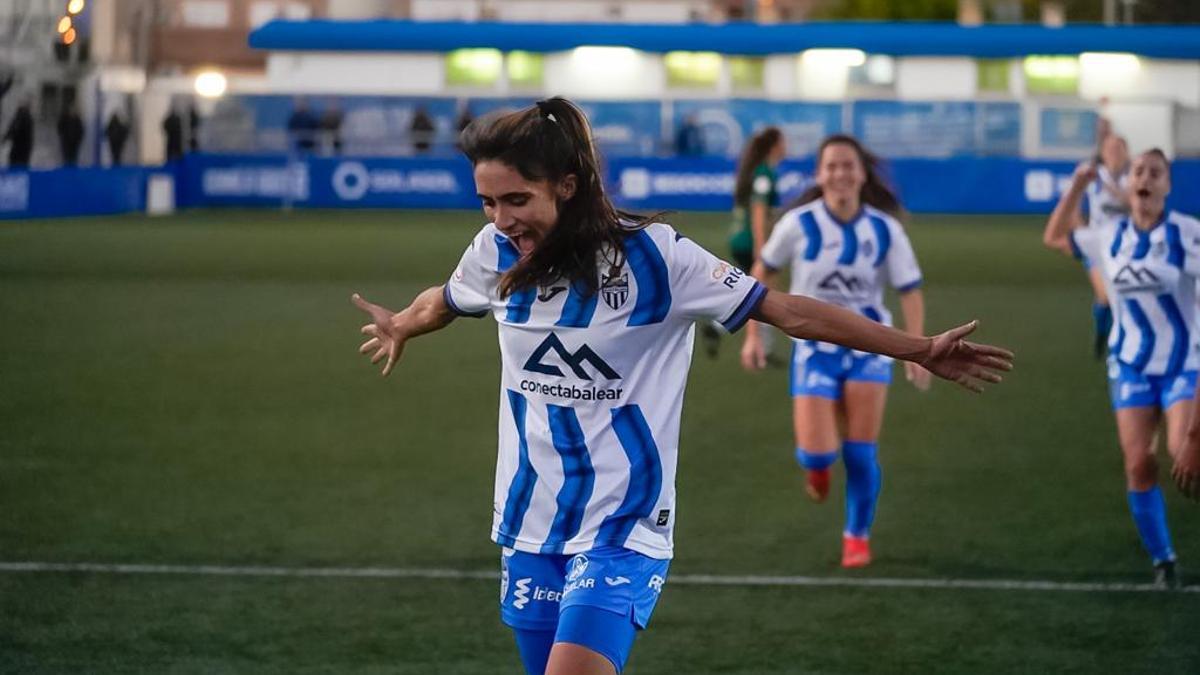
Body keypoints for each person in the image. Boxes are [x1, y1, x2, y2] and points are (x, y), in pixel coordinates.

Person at [352, 97, 1011, 675]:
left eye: (517, 200)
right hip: (529, 523)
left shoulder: (658, 258)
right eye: (488, 202)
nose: (500, 219)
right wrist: (403, 324)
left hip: (623, 525)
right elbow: (448, 297)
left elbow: (792, 310)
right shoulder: (495, 252)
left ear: (569, 186)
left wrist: (919, 347)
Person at [740, 134, 929, 569]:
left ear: (862, 174)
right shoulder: (797, 224)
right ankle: (818, 468)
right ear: (819, 174)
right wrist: (754, 337)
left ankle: (856, 535)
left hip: (869, 350)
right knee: (818, 453)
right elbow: (760, 275)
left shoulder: (885, 229)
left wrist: (917, 350)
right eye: (832, 166)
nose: (841, 173)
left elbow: (910, 291)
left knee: (861, 451)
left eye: (849, 166)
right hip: (813, 351)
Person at [1043, 148, 1200, 589]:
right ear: (1129, 184)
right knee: (1138, 465)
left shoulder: (1188, 234)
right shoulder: (1108, 234)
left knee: (1185, 457)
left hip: (1183, 364)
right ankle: (1163, 560)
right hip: (1130, 364)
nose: (1146, 178)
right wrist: (1076, 185)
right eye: (1138, 172)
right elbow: (1054, 236)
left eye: (1156, 172)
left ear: (1168, 185)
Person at [701, 127, 786, 359]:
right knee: (763, 294)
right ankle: (762, 348)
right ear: (774, 146)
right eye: (783, 142)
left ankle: (718, 328)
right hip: (750, 242)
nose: (786, 146)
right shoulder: (764, 174)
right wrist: (762, 248)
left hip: (741, 240)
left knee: (754, 292)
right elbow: (758, 211)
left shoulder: (758, 171)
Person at [1047, 134, 1131, 358]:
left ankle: (1121, 338)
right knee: (1104, 296)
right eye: (1110, 148)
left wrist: (1110, 186)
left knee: (1124, 296)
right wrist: (1082, 229)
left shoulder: (1133, 177)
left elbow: (1132, 203)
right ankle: (1102, 337)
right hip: (1098, 244)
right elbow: (1071, 208)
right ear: (1102, 152)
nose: (1114, 153)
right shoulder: (1093, 177)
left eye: (1118, 148)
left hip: (1127, 247)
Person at [3, 102, 34, 168]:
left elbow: (13, 130)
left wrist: (6, 137)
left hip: (21, 147)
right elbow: (12, 129)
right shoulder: (20, 117)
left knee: (18, 162)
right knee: (17, 162)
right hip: (21, 147)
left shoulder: (24, 119)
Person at [57, 101, 84, 166]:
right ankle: (66, 167)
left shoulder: (78, 119)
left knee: (74, 156)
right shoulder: (64, 118)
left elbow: (81, 130)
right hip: (66, 141)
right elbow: (60, 128)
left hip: (75, 142)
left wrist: (79, 138)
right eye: (71, 109)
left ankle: (73, 168)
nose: (73, 111)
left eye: (74, 110)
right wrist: (63, 136)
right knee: (66, 156)